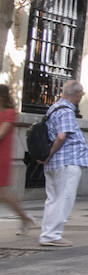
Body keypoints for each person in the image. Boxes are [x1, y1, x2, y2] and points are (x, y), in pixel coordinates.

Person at [37, 79, 88, 248]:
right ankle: (51, 235)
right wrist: (48, 154)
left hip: (56, 163)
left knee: (53, 199)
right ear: (77, 94)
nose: (81, 97)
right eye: (81, 94)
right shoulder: (66, 111)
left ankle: (48, 233)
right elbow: (61, 136)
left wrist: (47, 157)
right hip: (66, 161)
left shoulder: (54, 108)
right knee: (63, 198)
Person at [0, 85, 36, 236]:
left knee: (3, 194)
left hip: (1, 157)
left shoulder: (9, 113)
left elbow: (1, 134)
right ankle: (25, 218)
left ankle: (25, 218)